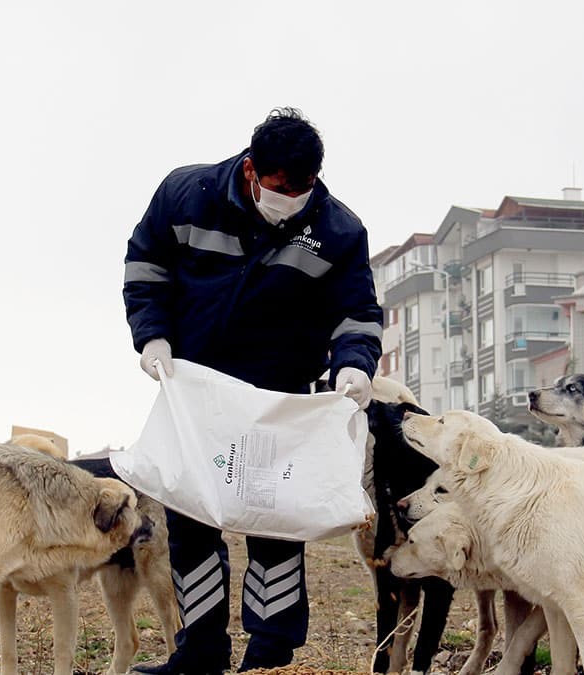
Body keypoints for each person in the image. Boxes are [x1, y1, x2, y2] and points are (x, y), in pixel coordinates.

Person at [123, 107, 383, 674]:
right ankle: (200, 653)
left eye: (305, 186)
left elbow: (357, 312)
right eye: (282, 185)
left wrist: (355, 365)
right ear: (251, 169)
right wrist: (152, 337)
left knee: (276, 522)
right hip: (197, 389)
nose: (293, 195)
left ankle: (270, 657)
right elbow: (146, 266)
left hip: (278, 395)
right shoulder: (186, 194)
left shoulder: (338, 230)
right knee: (191, 520)